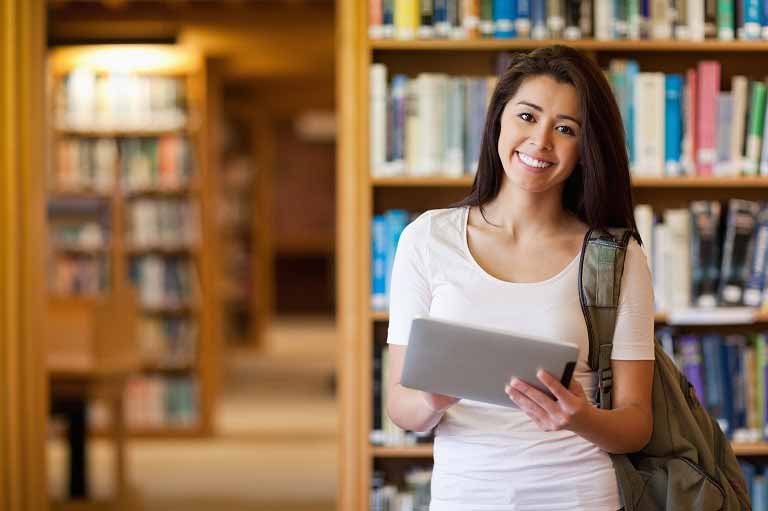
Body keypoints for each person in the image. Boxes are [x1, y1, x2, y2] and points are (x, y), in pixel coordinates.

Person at [385, 45, 655, 511]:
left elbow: (636, 425)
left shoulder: (616, 257)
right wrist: (432, 397)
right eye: (527, 117)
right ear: (498, 122)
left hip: (580, 498)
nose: (541, 142)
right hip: (467, 496)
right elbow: (401, 408)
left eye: (565, 129)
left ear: (585, 150)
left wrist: (581, 417)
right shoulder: (427, 238)